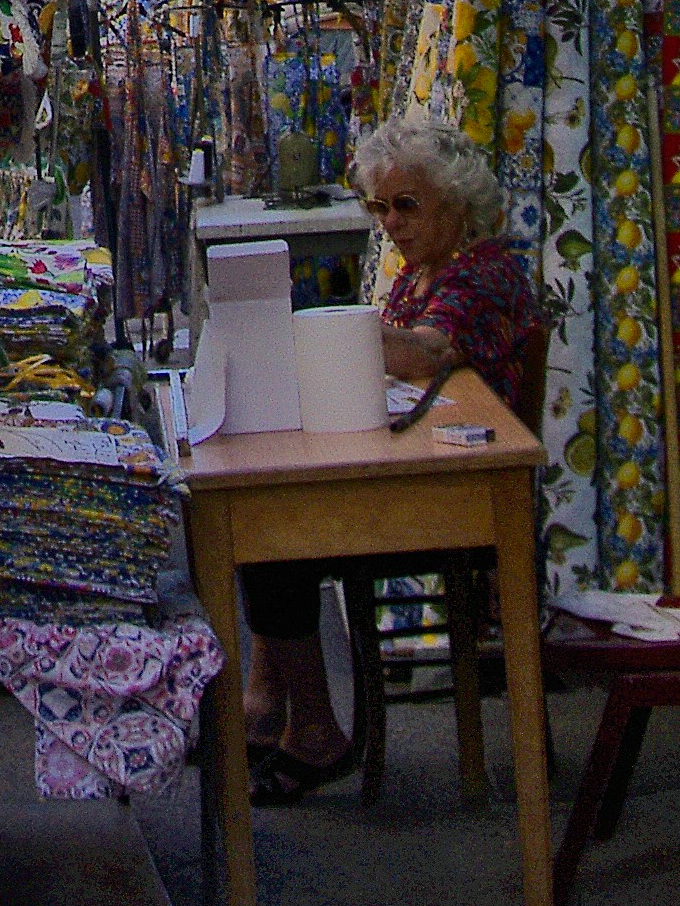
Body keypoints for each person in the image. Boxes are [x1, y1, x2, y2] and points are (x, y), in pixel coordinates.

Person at [230, 107, 548, 800]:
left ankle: (305, 727)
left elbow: (429, 350)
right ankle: (273, 709)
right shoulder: (419, 275)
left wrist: (313, 334)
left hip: (456, 495)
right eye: (380, 206)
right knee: (265, 525)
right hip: (424, 472)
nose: (390, 223)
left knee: (274, 539)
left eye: (407, 205)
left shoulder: (485, 275)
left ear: (458, 202)